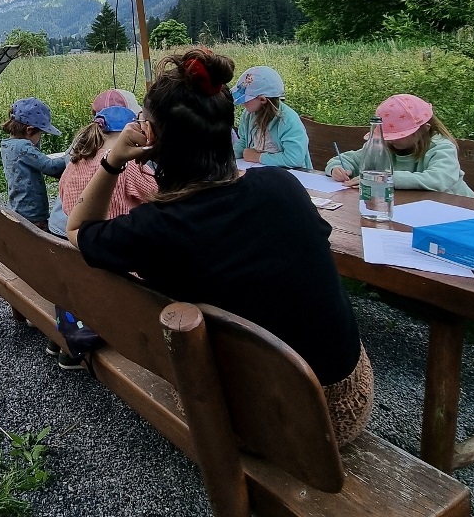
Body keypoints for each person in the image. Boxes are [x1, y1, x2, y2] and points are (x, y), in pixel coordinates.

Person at [68, 48, 373, 446]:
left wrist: (113, 162)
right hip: (343, 403)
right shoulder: (282, 188)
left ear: (152, 139)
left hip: (246, 419)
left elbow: (78, 228)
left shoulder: (153, 228)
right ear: (227, 126)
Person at [48, 91, 156, 239]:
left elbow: (64, 196)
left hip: (82, 239)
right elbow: (157, 196)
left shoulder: (76, 160)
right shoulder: (129, 165)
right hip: (116, 240)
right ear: (131, 132)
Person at [326, 93, 474, 197]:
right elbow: (350, 159)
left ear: (424, 129)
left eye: (399, 136)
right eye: (387, 136)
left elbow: (439, 179)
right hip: (410, 208)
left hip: (458, 212)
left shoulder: (441, 147)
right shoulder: (383, 147)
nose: (390, 141)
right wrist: (338, 168)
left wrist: (386, 178)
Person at [0, 97, 67, 231]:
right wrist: (69, 156)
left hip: (19, 208)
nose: (40, 137)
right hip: (33, 214)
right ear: (29, 130)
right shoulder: (24, 147)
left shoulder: (8, 145)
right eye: (40, 133)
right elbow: (50, 167)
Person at [231, 65, 312, 169]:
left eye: (245, 99)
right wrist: (227, 157)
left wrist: (257, 157)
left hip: (292, 175)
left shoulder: (288, 120)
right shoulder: (248, 115)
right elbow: (243, 141)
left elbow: (294, 159)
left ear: (262, 99)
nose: (242, 104)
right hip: (259, 170)